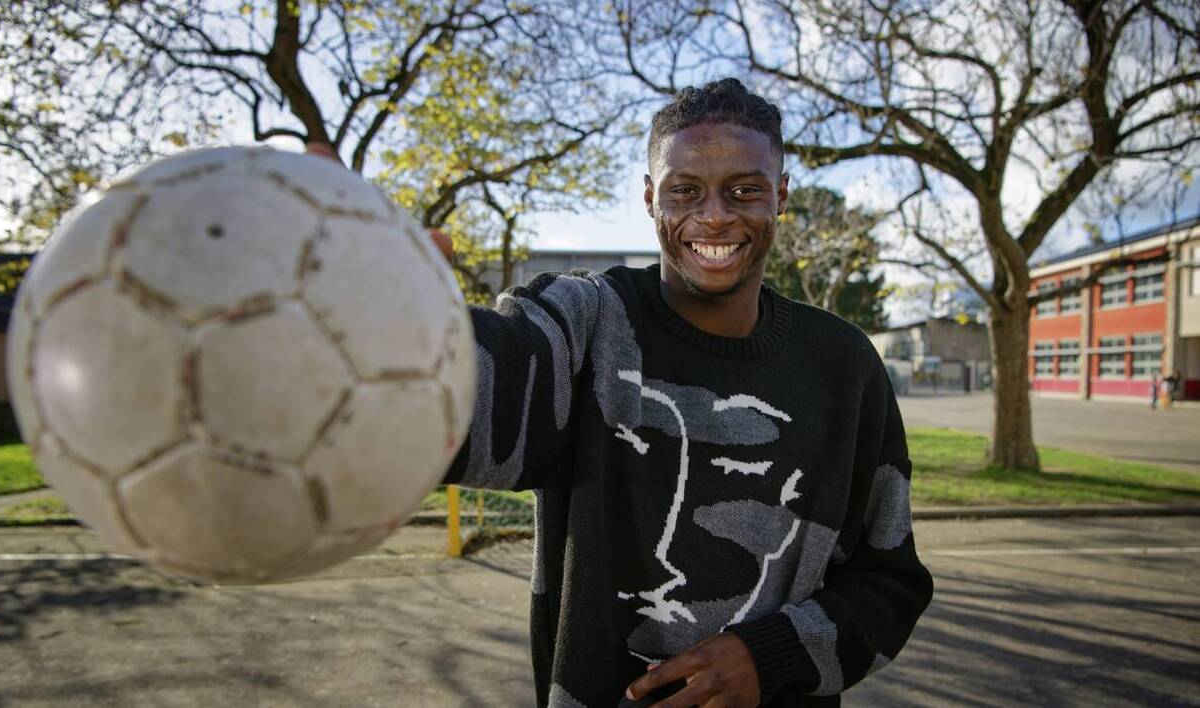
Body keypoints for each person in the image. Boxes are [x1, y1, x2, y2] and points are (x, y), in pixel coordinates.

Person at [322, 78, 933, 707]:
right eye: (685, 191)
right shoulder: (587, 325)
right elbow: (464, 395)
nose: (714, 215)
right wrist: (360, 331)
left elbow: (890, 581)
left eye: (744, 190)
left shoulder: (843, 365)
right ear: (650, 198)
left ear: (780, 195)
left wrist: (771, 655)